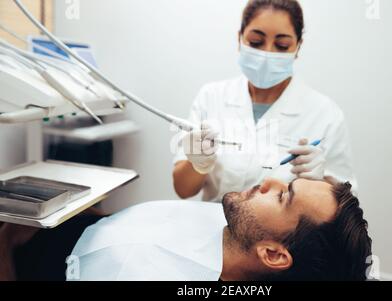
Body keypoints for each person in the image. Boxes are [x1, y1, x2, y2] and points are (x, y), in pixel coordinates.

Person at [173, 0, 358, 203]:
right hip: (215, 227)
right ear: (239, 38)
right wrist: (198, 163)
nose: (267, 54)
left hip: (283, 235)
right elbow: (183, 190)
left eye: (282, 45)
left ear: (298, 47)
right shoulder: (211, 96)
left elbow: (346, 205)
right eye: (255, 42)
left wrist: (323, 181)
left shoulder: (325, 114)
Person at [69, 178, 372, 281]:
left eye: (283, 196)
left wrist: (18, 245)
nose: (268, 181)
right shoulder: (237, 228)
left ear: (273, 255)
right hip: (79, 225)